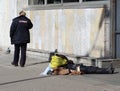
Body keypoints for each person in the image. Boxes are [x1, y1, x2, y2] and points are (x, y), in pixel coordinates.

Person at [40, 51, 115, 76]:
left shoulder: (54, 65)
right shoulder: (56, 69)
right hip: (76, 68)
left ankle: (107, 70)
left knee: (91, 68)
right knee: (91, 69)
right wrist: (76, 72)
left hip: (76, 67)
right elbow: (66, 71)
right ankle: (108, 70)